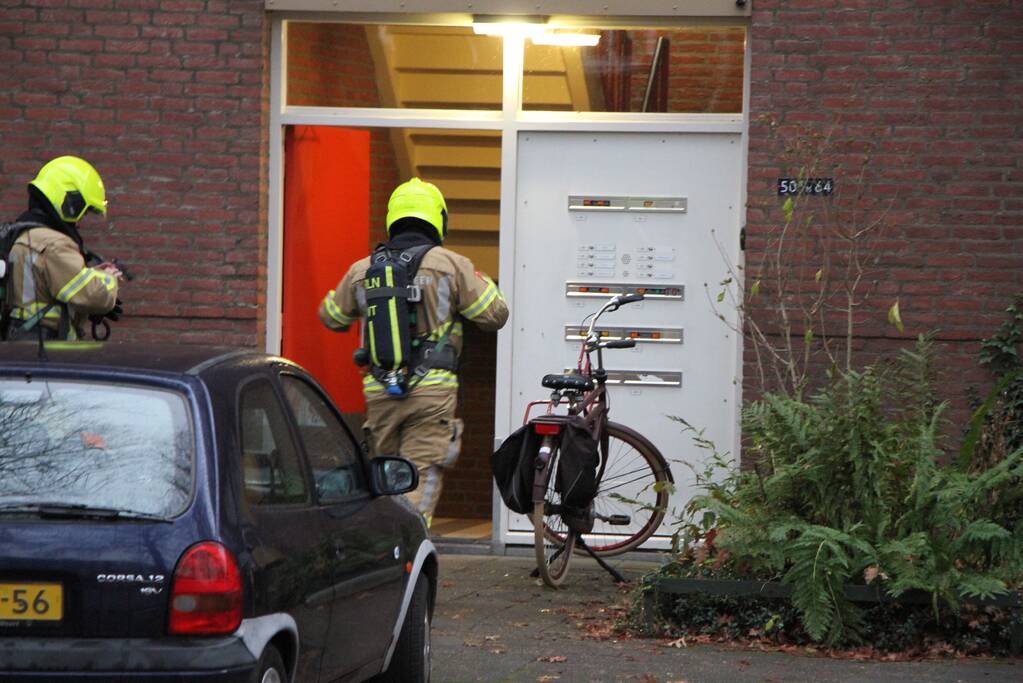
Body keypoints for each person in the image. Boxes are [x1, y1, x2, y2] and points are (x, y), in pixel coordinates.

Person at [319, 178, 509, 523]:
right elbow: (495, 315)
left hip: (379, 392)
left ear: (393, 217)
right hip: (432, 392)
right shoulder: (451, 265)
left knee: (384, 481)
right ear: (439, 219)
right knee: (419, 479)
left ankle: (384, 546)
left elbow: (331, 316)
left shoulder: (362, 269)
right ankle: (412, 547)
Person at [1, 156, 122, 341]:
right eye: (82, 211)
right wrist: (109, 278)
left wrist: (90, 273)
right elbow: (93, 296)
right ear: (69, 202)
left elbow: (51, 280)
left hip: (21, 340)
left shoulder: (25, 234)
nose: (79, 220)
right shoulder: (53, 244)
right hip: (46, 346)